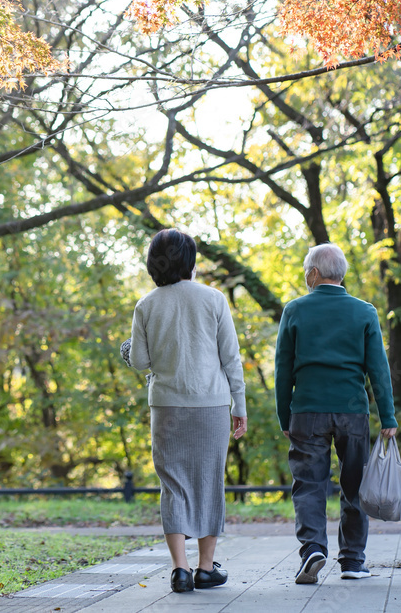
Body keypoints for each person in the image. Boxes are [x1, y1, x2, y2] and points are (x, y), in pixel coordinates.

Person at [121, 229, 247, 594]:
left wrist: (128, 349)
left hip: (167, 405)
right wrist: (238, 405)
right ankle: (206, 568)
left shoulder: (146, 305)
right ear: (190, 260)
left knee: (173, 484)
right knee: (210, 482)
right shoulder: (214, 299)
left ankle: (180, 569)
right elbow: (231, 358)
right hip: (211, 404)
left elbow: (140, 361)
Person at [274, 242, 398, 585]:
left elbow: (283, 369)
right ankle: (353, 562)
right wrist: (388, 417)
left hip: (307, 411)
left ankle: (313, 548)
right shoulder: (364, 312)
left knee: (309, 484)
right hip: (351, 411)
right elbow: (378, 368)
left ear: (314, 273)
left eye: (305, 273)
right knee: (355, 486)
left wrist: (285, 416)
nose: (304, 278)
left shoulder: (295, 310)